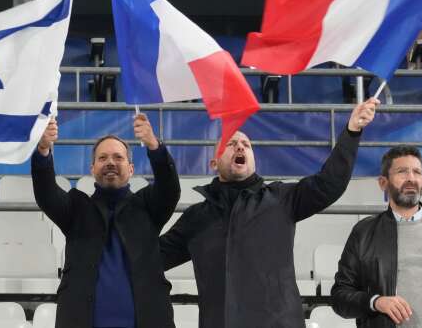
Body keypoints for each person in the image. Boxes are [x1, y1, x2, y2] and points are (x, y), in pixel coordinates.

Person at [159, 97, 379, 328]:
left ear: (254, 159)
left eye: (246, 144)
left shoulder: (281, 198)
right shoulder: (196, 218)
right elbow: (152, 258)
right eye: (231, 143)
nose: (240, 146)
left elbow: (329, 184)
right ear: (213, 163)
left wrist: (351, 132)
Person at [31, 113, 180, 328]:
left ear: (131, 169)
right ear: (92, 169)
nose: (110, 162)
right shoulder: (76, 208)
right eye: (102, 158)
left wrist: (154, 146)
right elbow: (47, 194)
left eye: (118, 157)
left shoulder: (148, 205)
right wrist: (44, 150)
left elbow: (169, 189)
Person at [331, 145, 422, 328]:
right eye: (402, 172)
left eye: (417, 172)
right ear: (383, 183)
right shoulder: (364, 232)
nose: (411, 178)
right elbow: (340, 296)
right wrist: (376, 302)